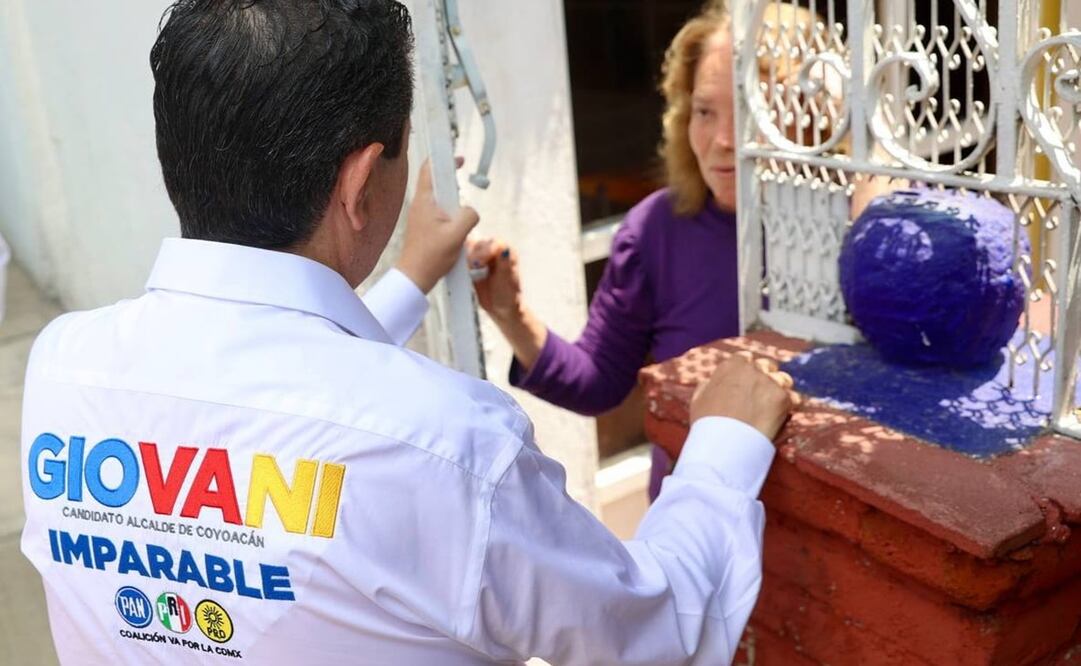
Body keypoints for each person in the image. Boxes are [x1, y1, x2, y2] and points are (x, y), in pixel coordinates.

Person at [21, 1, 795, 664]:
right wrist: (721, 453)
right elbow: (658, 632)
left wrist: (412, 279)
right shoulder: (450, 445)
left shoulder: (65, 370)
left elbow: (289, 391)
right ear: (360, 183)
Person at [470, 2, 749, 499]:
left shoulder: (846, 225)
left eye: (747, 111)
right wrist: (511, 314)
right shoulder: (657, 229)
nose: (723, 140)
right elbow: (598, 382)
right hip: (695, 531)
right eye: (705, 112)